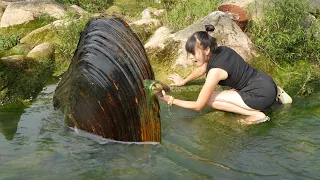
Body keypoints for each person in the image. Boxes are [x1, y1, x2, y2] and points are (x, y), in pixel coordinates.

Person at [158, 24, 277, 124]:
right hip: (266, 82)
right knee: (223, 92)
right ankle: (271, 98)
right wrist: (183, 81)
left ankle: (255, 114)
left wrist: (170, 99)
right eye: (189, 53)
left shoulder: (215, 72)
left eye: (193, 53)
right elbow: (202, 69)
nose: (191, 57)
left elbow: (198, 105)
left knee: (209, 99)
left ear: (207, 50)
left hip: (260, 96)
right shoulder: (221, 50)